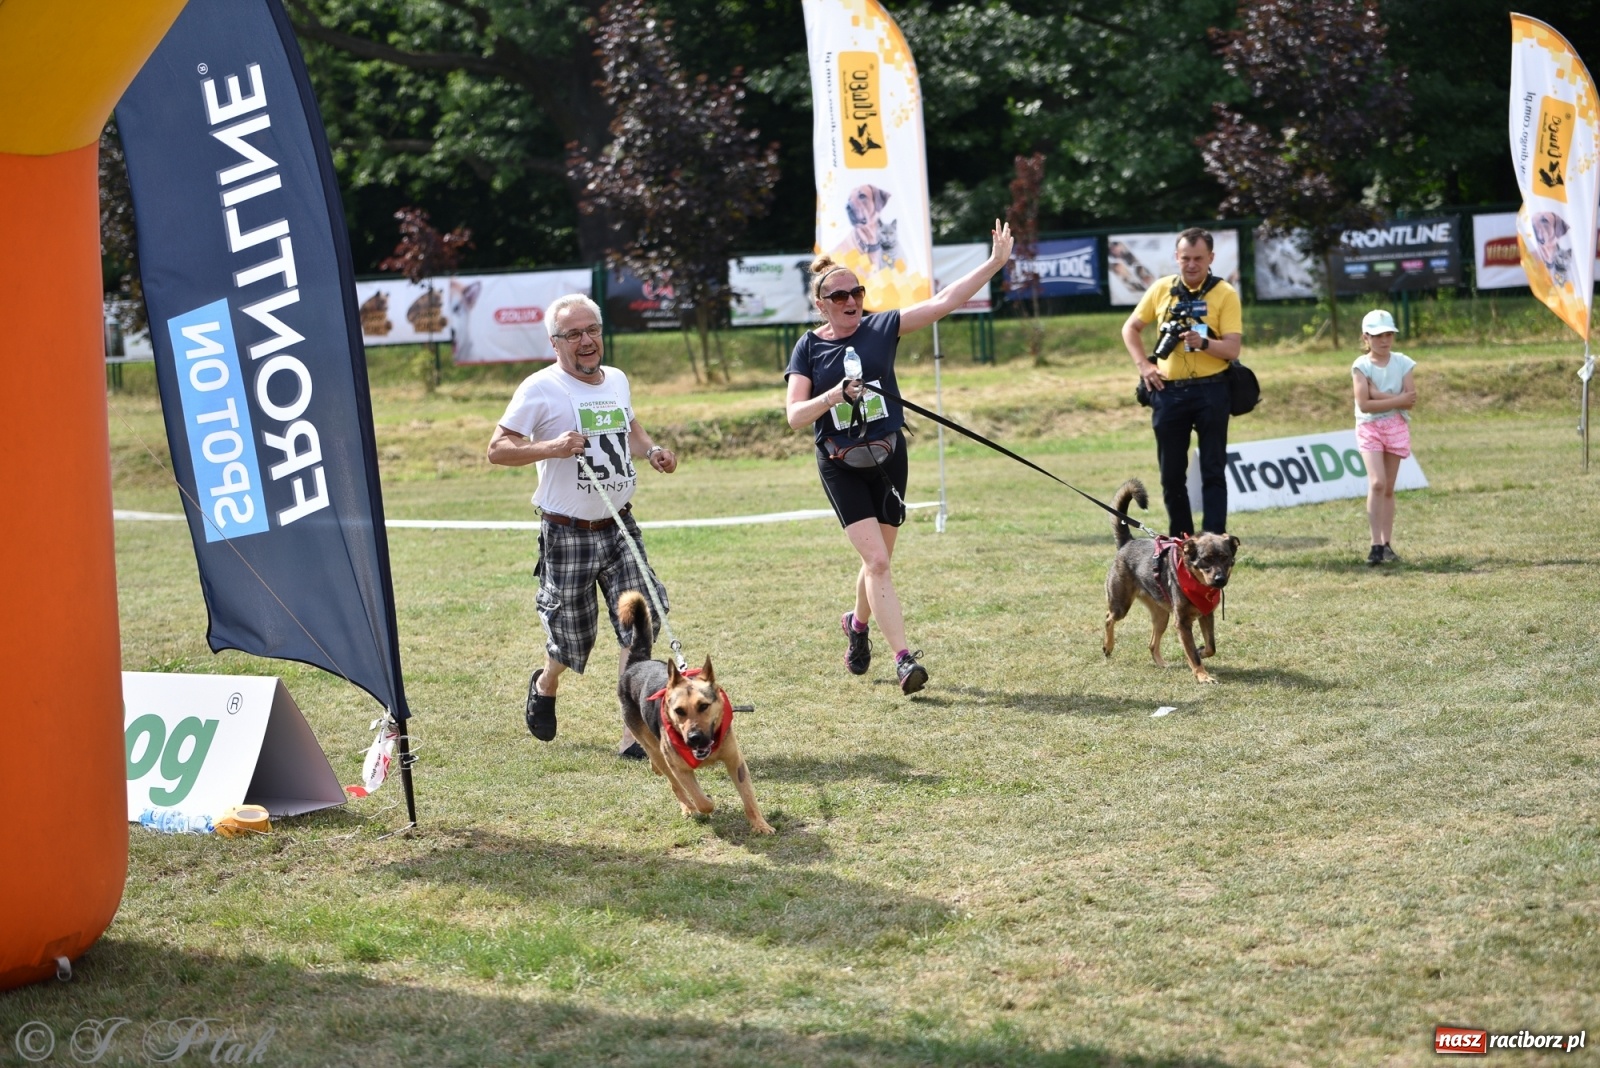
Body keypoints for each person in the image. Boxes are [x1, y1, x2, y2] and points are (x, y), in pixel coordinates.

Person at [784, 220, 1014, 695]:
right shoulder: (808, 346)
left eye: (857, 291)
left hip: (890, 456)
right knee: (878, 562)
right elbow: (794, 416)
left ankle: (857, 624)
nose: (852, 301)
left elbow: (943, 302)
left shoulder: (881, 327)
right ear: (821, 303)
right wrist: (833, 396)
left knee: (879, 560)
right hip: (840, 462)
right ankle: (904, 659)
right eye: (840, 296)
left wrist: (993, 263)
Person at [487, 293, 678, 758]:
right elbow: (498, 449)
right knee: (572, 638)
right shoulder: (539, 388)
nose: (587, 340)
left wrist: (650, 451)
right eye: (574, 334)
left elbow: (629, 427)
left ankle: (635, 734)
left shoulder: (616, 379)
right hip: (566, 531)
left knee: (639, 623)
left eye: (592, 330)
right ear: (555, 343)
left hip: (618, 525)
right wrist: (550, 447)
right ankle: (546, 682)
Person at [1120, 227, 1245, 537]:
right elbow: (1130, 329)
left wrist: (1203, 344)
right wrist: (1145, 366)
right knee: (1172, 474)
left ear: (1211, 258)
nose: (1191, 264)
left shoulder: (1225, 293)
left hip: (1212, 389)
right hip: (1168, 391)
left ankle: (1214, 540)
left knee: (1213, 469)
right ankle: (1182, 541)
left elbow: (1232, 348)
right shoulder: (1161, 289)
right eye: (1185, 258)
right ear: (1176, 257)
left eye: (1198, 258)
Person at [1351, 308, 1417, 566]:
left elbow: (1410, 399)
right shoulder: (1361, 365)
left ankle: (1386, 544)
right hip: (1369, 427)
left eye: (1388, 334)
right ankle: (1374, 543)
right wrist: (1395, 399)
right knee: (1377, 482)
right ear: (1366, 337)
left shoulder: (1403, 362)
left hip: (1396, 425)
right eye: (1378, 335)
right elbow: (1364, 404)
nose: (1384, 340)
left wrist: (1379, 395)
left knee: (1388, 487)